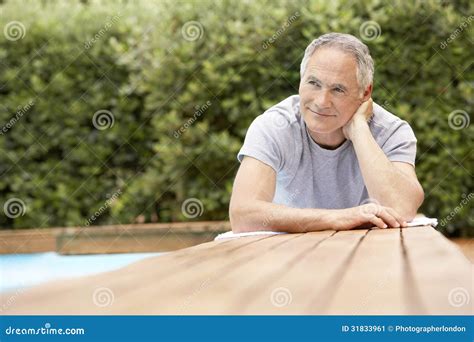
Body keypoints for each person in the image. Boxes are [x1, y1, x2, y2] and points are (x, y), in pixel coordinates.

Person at [229, 32, 424, 233]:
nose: (322, 101)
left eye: (338, 89)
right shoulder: (274, 126)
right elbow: (243, 215)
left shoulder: (391, 131)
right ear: (300, 80)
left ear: (365, 93)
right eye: (314, 83)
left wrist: (359, 131)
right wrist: (337, 218)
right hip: (287, 252)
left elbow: (402, 207)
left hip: (367, 251)